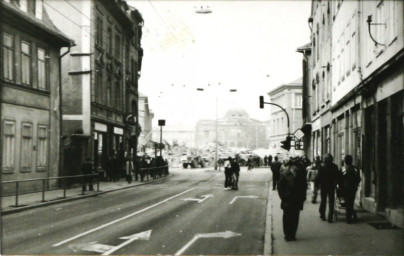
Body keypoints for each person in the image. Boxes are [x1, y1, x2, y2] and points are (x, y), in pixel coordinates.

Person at [277, 157, 307, 241]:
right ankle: (287, 235)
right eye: (293, 166)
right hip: (287, 200)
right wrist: (284, 197)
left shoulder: (300, 175)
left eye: (296, 166)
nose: (295, 168)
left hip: (297, 200)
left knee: (295, 218)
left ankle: (293, 234)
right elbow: (279, 187)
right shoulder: (284, 174)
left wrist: (303, 198)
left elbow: (304, 186)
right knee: (287, 218)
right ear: (290, 167)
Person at [316, 153, 340, 223]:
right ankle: (330, 217)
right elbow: (337, 176)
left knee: (323, 200)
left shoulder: (322, 166)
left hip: (323, 186)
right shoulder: (334, 166)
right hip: (331, 186)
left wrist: (317, 185)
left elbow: (318, 176)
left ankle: (322, 215)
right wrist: (337, 184)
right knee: (331, 201)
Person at [339, 155, 361, 224]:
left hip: (345, 188)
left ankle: (348, 218)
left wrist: (340, 186)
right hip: (353, 188)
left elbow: (340, 179)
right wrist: (355, 184)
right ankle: (350, 216)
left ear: (345, 161)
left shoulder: (342, 169)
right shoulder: (355, 169)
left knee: (347, 202)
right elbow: (358, 178)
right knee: (351, 202)